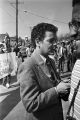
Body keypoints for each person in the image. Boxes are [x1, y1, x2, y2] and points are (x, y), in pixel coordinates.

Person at [17, 22, 70, 120]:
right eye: (50, 41)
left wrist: (65, 87)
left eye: (55, 40)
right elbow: (30, 104)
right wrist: (56, 91)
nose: (54, 44)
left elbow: (55, 84)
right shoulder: (27, 66)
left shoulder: (51, 61)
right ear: (38, 42)